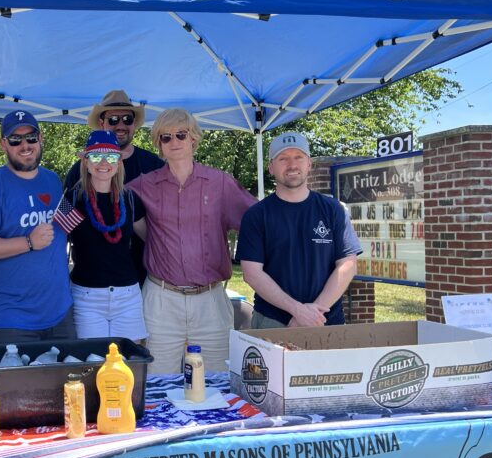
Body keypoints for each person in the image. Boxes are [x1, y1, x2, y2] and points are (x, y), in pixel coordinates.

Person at [127, 108, 256, 373]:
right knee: (157, 381)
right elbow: (106, 199)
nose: (174, 142)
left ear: (193, 139)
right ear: (158, 145)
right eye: (165, 137)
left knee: (219, 380)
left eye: (180, 135)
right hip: (161, 298)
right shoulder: (141, 186)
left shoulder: (220, 183)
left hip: (210, 299)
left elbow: (259, 221)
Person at [0, 109, 75, 342]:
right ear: (3, 143)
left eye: (31, 137)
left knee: (70, 380)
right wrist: (28, 242)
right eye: (16, 140)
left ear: (41, 138)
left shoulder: (53, 180)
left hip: (60, 313)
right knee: (22, 381)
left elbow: (68, 225)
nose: (25, 145)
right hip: (12, 320)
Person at [237, 131, 360, 328]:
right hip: (273, 322)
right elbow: (251, 273)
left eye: (298, 157)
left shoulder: (332, 209)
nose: (292, 165)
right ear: (270, 167)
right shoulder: (257, 215)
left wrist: (313, 313)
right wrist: (297, 310)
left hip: (326, 320)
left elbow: (347, 265)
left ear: (309, 163)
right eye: (283, 158)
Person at [54, 131, 148, 341]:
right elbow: (54, 243)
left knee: (129, 363)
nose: (104, 162)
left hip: (127, 296)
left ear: (119, 163)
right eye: (96, 156)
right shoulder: (72, 198)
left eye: (112, 157)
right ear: (86, 163)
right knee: (93, 364)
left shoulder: (130, 199)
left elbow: (152, 240)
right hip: (86, 296)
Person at [64, 90, 163, 284]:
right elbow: (61, 226)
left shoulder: (155, 166)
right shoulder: (80, 170)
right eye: (113, 119)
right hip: (89, 284)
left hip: (144, 280)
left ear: (134, 124)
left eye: (127, 119)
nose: (120, 125)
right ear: (102, 123)